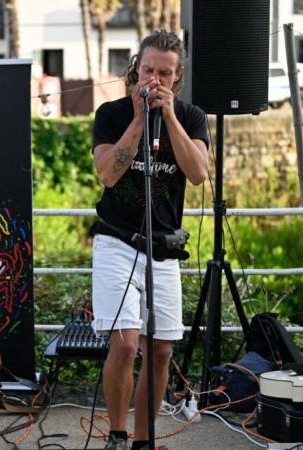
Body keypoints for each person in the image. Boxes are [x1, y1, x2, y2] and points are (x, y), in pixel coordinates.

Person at [90, 30, 209, 450]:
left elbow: (198, 173)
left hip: (163, 245)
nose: (154, 79)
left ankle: (144, 440)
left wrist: (169, 118)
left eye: (164, 73)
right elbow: (106, 173)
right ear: (135, 68)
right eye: (148, 70)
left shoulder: (192, 118)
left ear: (176, 78)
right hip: (116, 239)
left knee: (161, 349)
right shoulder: (111, 113)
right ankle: (117, 435)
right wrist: (139, 121)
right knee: (123, 344)